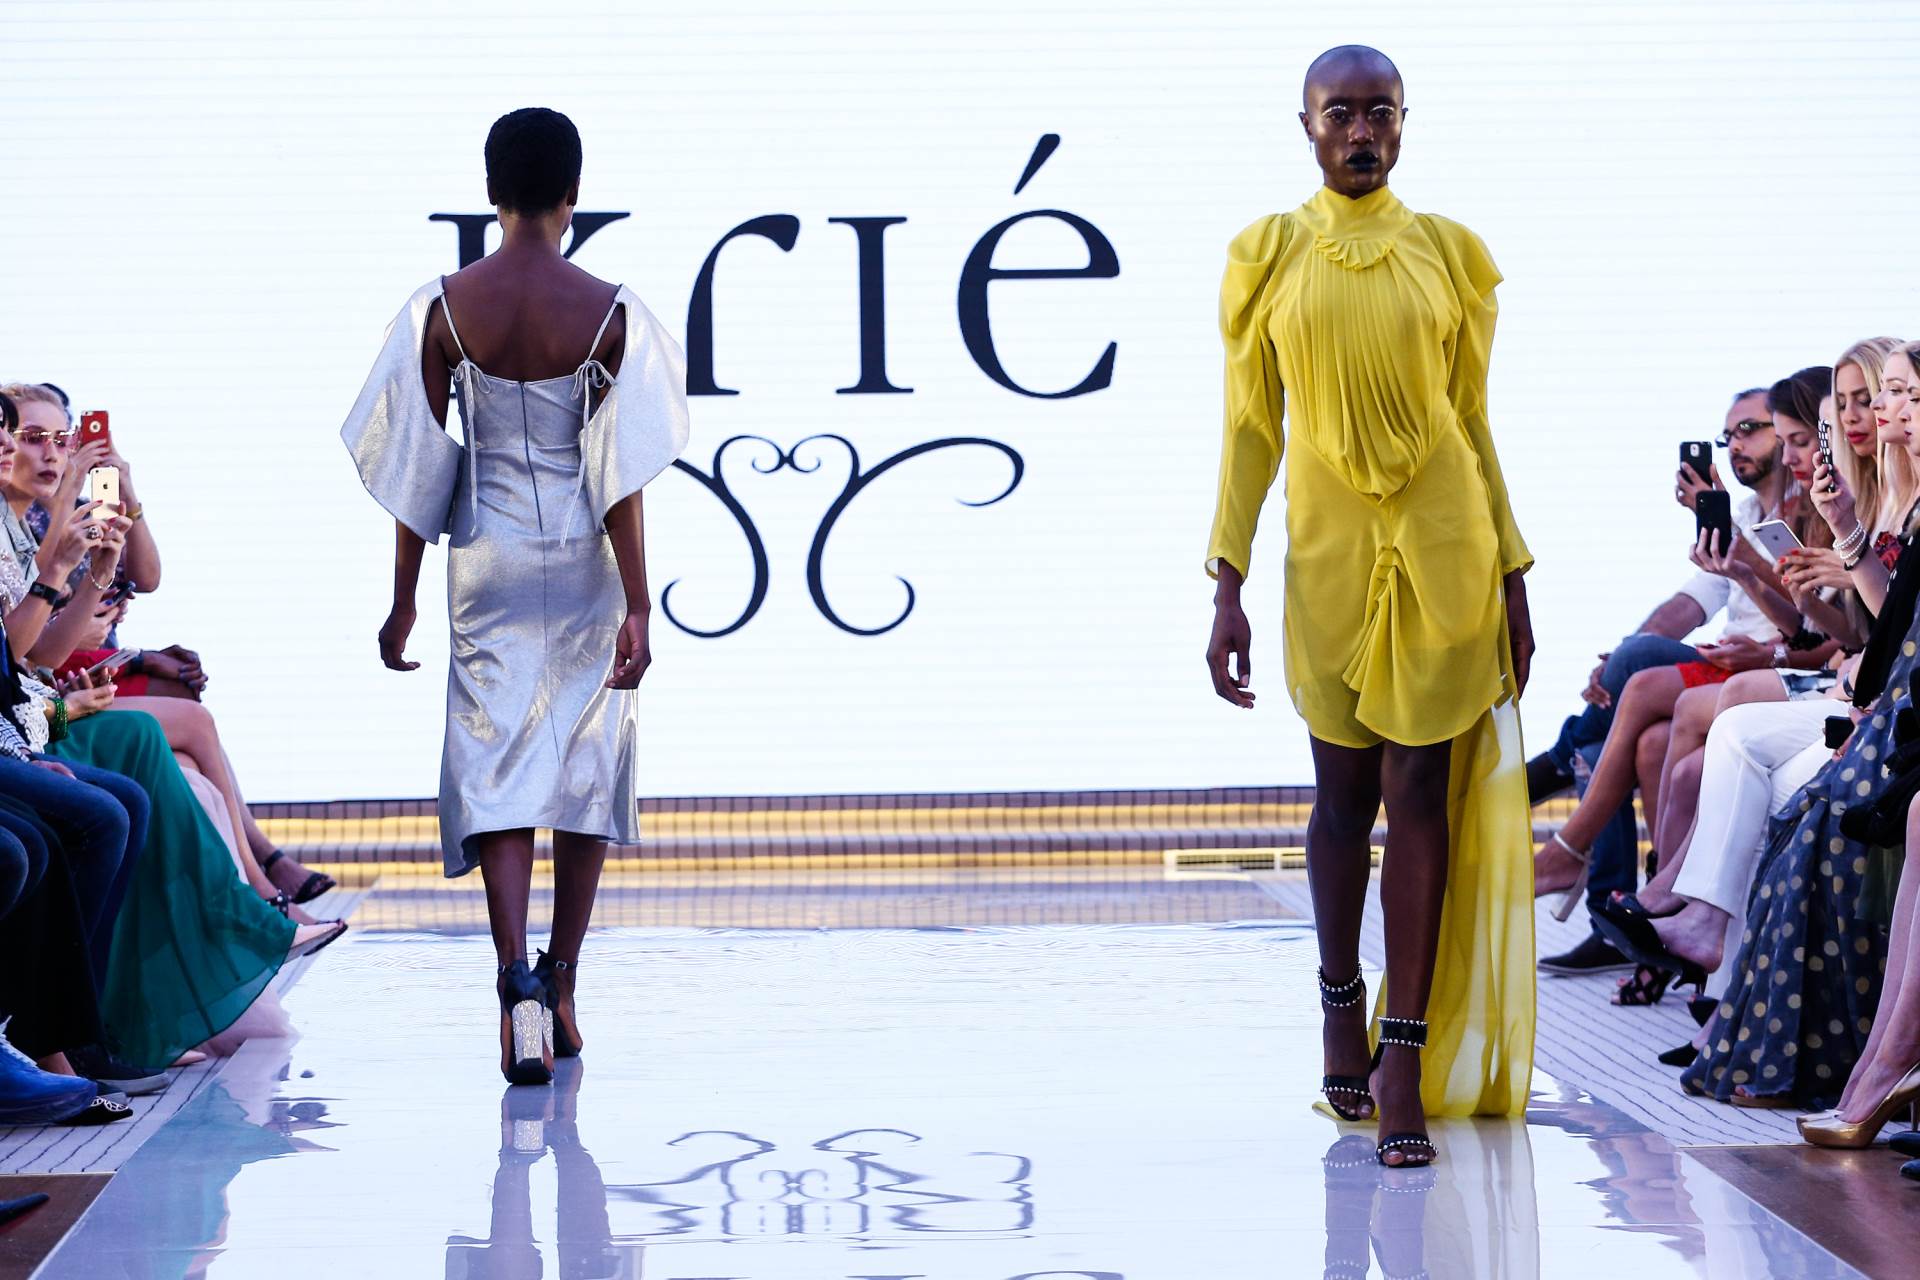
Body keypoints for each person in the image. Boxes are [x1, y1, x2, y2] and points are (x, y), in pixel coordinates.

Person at [1203, 47, 1533, 1166]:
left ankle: (1403, 1054)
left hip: (1447, 540)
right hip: (1330, 551)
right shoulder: (1268, 253)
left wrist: (1514, 571)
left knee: (1419, 791)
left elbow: (1473, 420)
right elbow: (1250, 427)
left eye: (1379, 113)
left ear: (1403, 123)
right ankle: (1339, 999)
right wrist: (1227, 579)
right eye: (1339, 113)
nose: (1360, 131)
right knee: (1343, 797)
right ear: (1304, 125)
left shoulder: (1449, 252)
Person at [343, 107, 690, 1086]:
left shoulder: (443, 308)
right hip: (584, 562)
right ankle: (563, 982)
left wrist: (403, 599)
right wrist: (638, 602)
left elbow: (418, 470)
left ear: (491, 191)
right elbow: (620, 477)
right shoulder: (610, 311)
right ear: (573, 193)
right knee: (585, 762)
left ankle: (512, 984)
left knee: (494, 761)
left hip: (484, 560)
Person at [1530, 388, 1798, 977]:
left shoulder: (1806, 510)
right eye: (1727, 436)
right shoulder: (1740, 513)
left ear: (1786, 431)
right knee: (1636, 734)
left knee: (1636, 678)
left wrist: (1632, 658)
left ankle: (1567, 827)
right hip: (1728, 661)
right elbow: (1688, 604)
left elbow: (1807, 615)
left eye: (1750, 429)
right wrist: (1617, 660)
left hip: (1768, 665)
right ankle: (1641, 920)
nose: (1734, 445)